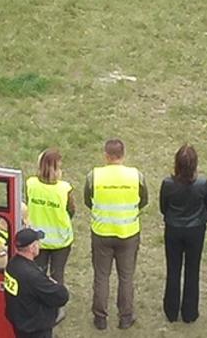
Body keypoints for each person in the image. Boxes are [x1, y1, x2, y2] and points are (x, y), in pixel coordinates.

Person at [85, 138, 148, 330]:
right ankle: (126, 317)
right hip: (128, 233)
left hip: (102, 232)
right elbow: (143, 200)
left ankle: (100, 318)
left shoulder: (94, 176)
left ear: (106, 155)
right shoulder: (136, 176)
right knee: (126, 277)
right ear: (123, 155)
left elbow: (88, 200)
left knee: (101, 276)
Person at [159, 144, 207, 324]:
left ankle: (171, 310)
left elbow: (163, 207)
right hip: (196, 230)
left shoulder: (168, 184)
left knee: (173, 269)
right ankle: (190, 312)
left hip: (173, 229)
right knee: (193, 269)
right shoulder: (202, 184)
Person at [5, 228, 71, 338]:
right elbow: (62, 296)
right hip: (35, 329)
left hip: (19, 323)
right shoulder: (33, 276)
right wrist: (52, 283)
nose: (40, 245)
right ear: (32, 248)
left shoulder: (12, 265)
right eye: (38, 242)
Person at [25, 149, 76, 289]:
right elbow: (71, 211)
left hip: (37, 240)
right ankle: (56, 307)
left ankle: (38, 306)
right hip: (61, 240)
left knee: (37, 274)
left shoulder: (31, 184)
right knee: (57, 275)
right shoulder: (64, 189)